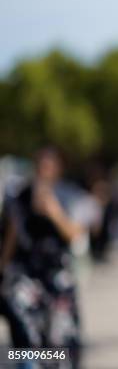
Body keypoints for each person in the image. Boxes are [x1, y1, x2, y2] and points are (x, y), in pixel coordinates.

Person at [0, 147, 83, 368]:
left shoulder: (67, 194)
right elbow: (10, 238)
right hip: (27, 272)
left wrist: (53, 211)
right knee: (24, 327)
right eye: (41, 167)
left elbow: (76, 234)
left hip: (56, 274)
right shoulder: (20, 196)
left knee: (60, 338)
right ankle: (28, 363)